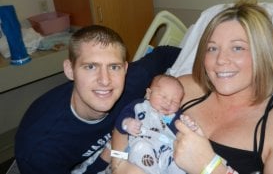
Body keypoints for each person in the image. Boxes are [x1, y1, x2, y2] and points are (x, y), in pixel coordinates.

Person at [14, 25, 181, 174]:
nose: (105, 80)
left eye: (114, 67)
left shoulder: (134, 81)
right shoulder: (40, 149)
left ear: (124, 69)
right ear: (70, 70)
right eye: (91, 67)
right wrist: (113, 158)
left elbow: (164, 54)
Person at [172, 0, 273, 174]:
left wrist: (209, 168)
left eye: (237, 48)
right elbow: (132, 118)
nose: (221, 60)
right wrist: (119, 162)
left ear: (261, 54)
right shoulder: (182, 90)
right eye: (212, 48)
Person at [114, 74, 185, 174]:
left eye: (175, 102)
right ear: (148, 93)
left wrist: (187, 124)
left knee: (179, 163)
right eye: (163, 97)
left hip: (165, 151)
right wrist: (127, 123)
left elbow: (179, 129)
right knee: (142, 148)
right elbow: (121, 119)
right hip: (142, 145)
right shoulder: (139, 106)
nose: (168, 103)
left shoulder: (170, 117)